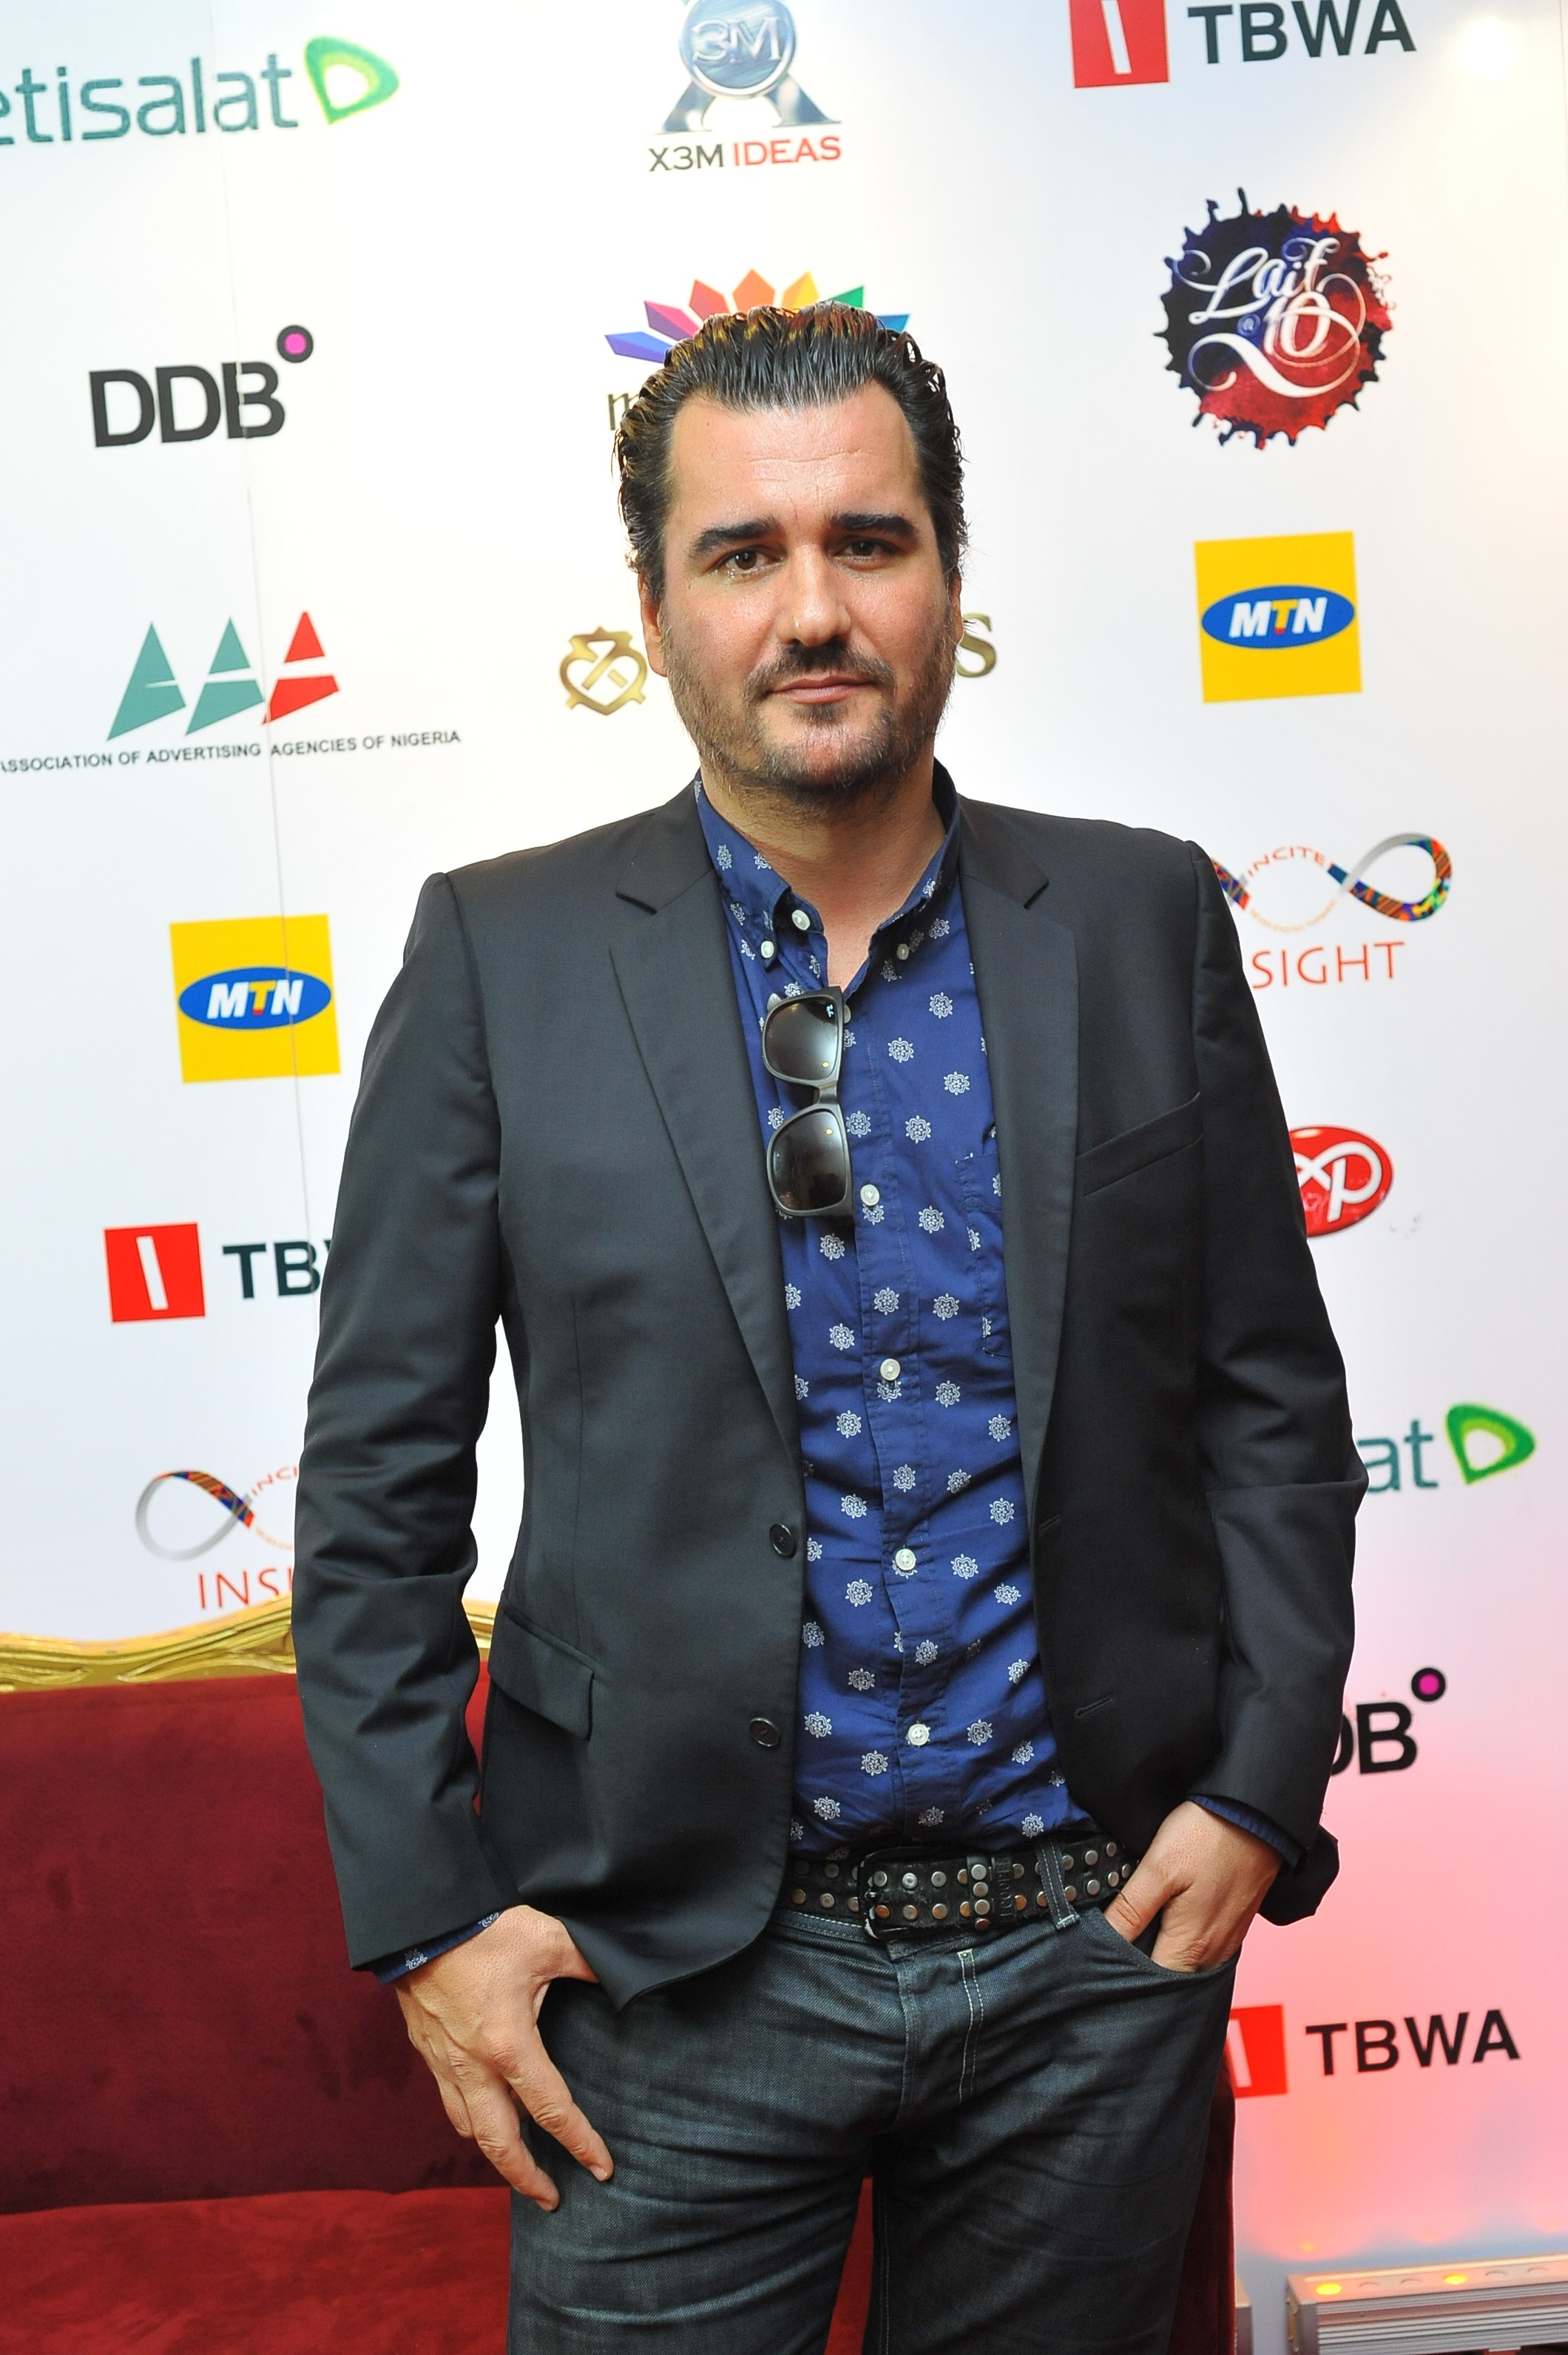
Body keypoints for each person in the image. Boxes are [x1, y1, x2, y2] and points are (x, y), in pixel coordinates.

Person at [292, 303, 1362, 2354]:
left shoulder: (1138, 920)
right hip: (667, 1975)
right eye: (743, 553)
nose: (812, 611)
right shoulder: (503, 956)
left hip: (1088, 1954)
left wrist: (1253, 1793)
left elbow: (1271, 1410)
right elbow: (375, 1492)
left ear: (948, 574)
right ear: (653, 607)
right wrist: (433, 1919)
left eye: (868, 542)